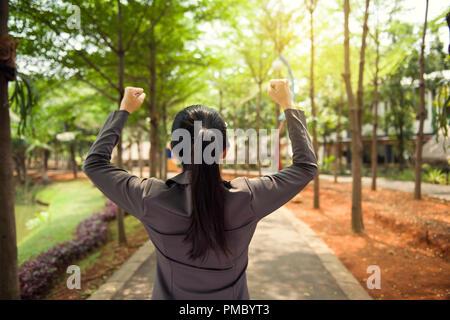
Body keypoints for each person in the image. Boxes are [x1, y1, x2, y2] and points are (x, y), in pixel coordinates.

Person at [82, 79, 318, 300]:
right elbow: (305, 167)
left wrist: (124, 110)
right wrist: (288, 104)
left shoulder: (149, 198)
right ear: (224, 151)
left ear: (173, 151)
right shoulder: (247, 197)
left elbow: (94, 164)